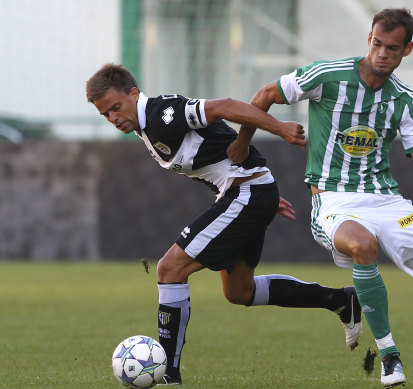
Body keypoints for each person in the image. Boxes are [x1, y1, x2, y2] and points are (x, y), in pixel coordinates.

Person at [228, 8, 413, 389]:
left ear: (407, 49)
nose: (382, 53)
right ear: (368, 40)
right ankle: (389, 356)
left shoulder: (403, 100)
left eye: (392, 47)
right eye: (376, 44)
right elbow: (263, 95)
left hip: (389, 204)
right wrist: (241, 144)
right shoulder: (327, 74)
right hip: (335, 200)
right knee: (362, 244)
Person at [86, 63, 362, 385]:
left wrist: (281, 129)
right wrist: (263, 197)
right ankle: (341, 300)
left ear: (134, 93)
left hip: (246, 192)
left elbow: (227, 107)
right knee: (240, 291)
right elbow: (213, 157)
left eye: (116, 107)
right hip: (248, 192)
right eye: (105, 114)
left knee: (169, 268)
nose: (113, 118)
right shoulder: (146, 128)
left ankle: (168, 374)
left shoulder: (163, 113)